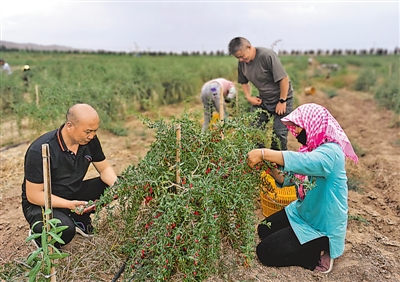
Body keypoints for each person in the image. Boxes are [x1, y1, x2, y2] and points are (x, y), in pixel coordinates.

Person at [247, 103, 358, 273]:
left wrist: (263, 153)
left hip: (321, 226)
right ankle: (297, 238)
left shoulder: (332, 153)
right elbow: (291, 177)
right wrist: (270, 170)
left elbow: (303, 162)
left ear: (313, 125)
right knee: (264, 228)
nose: (296, 132)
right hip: (302, 213)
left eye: (299, 127)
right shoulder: (312, 149)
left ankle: (313, 255)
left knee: (265, 252)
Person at [22, 103, 118, 247]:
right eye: (87, 131)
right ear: (70, 126)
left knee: (115, 184)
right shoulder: (41, 150)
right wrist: (69, 205)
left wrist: (118, 187)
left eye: (95, 131)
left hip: (72, 193)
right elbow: (33, 195)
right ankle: (39, 233)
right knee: (65, 231)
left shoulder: (90, 141)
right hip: (42, 204)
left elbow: (104, 169)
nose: (92, 136)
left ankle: (80, 219)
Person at [228, 37, 293, 150]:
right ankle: (261, 159)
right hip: (264, 99)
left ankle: (279, 164)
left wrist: (282, 100)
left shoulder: (266, 56)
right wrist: (249, 97)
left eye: (242, 56)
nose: (241, 60)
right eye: (238, 58)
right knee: (254, 129)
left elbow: (284, 79)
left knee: (279, 134)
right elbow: (244, 82)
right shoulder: (242, 63)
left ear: (249, 47)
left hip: (282, 98)